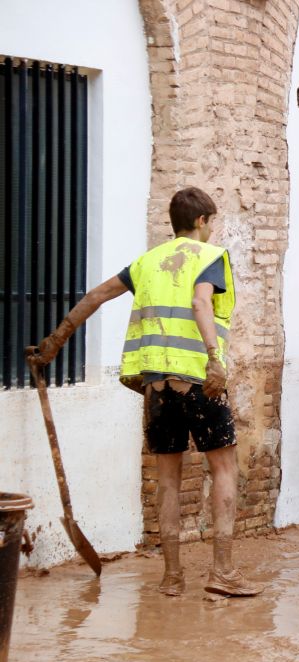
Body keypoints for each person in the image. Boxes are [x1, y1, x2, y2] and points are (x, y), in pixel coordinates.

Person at [28, 187, 262, 597]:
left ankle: (172, 577)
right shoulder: (210, 257)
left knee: (168, 478)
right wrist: (214, 358)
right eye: (213, 222)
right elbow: (200, 303)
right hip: (199, 380)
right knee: (224, 469)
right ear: (202, 221)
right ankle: (221, 572)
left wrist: (55, 341)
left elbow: (97, 296)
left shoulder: (146, 262)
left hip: (156, 386)